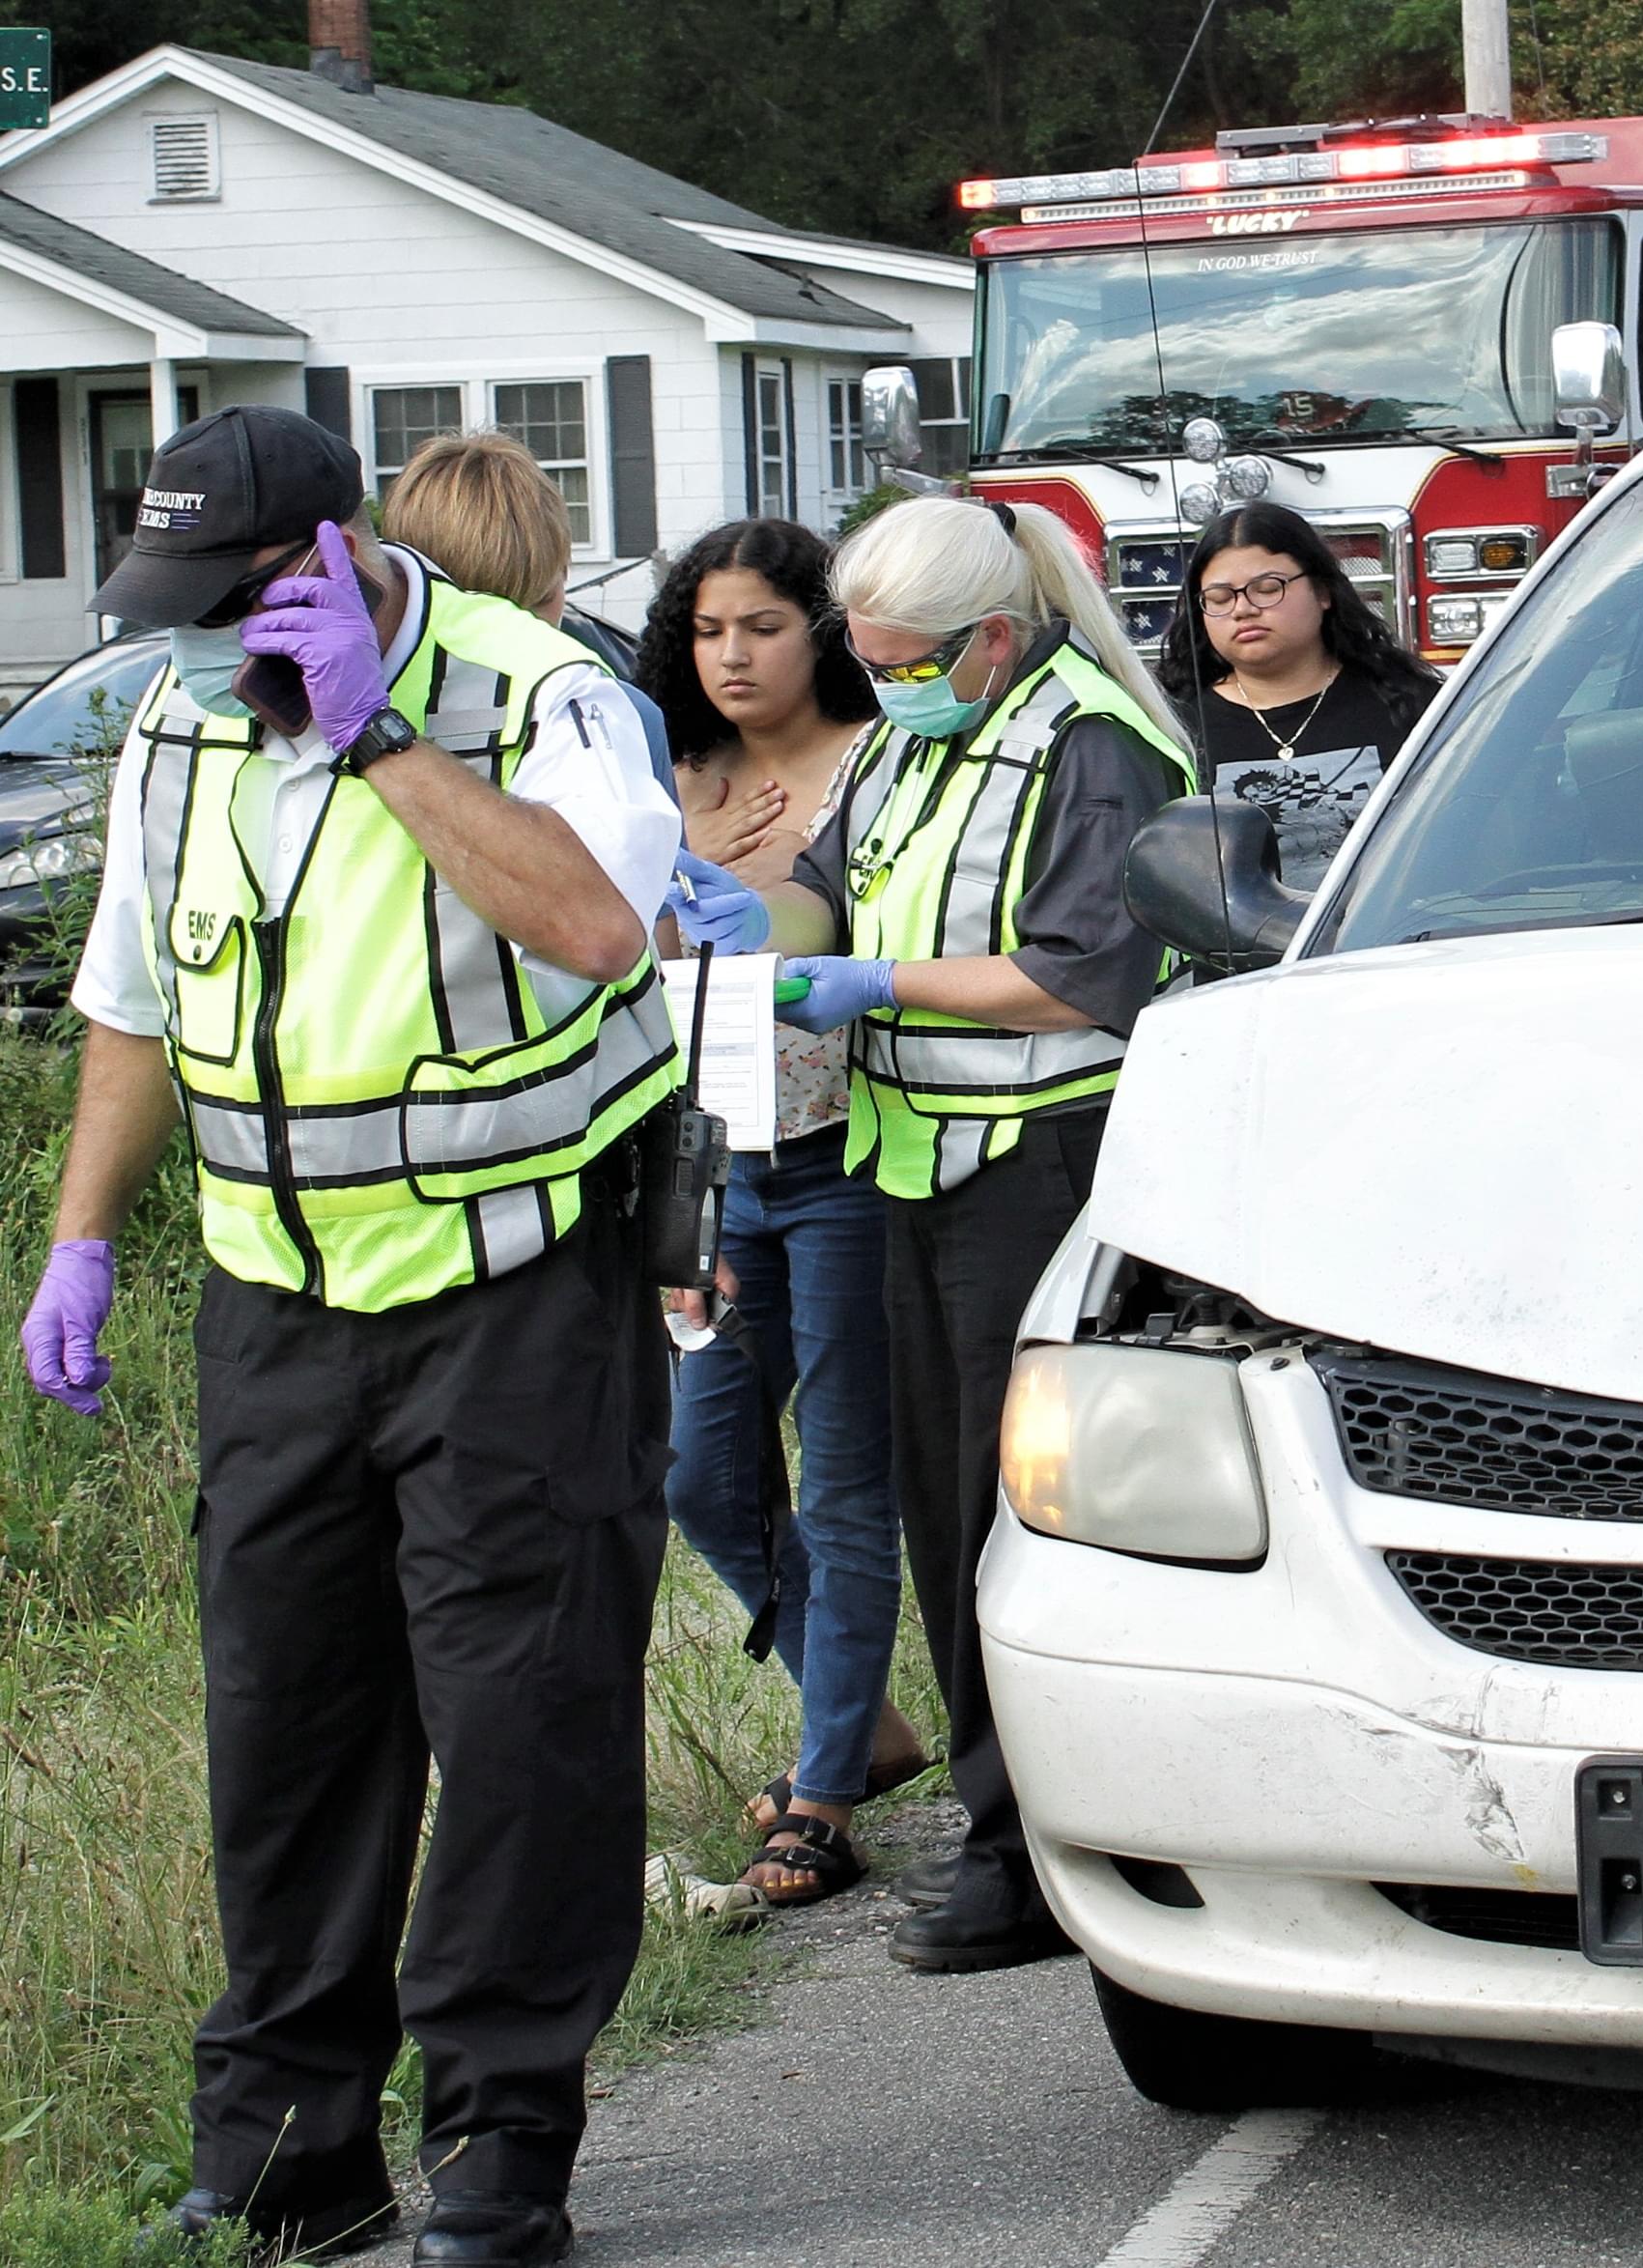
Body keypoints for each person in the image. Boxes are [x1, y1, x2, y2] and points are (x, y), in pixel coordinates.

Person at [14, 406, 682, 2266]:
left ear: (334, 559)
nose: (202, 641)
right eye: (174, 606)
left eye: (235, 603)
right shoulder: (178, 719)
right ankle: (293, 2141)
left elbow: (599, 922)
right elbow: (132, 1004)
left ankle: (501, 2140)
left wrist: (379, 730)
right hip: (279, 1303)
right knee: (286, 1727)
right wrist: (79, 1237)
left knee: (523, 1720)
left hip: (514, 1288)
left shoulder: (533, 691)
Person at [674, 495, 1194, 1972]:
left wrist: (881, 986)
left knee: (1000, 1512)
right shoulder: (917, 732)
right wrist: (741, 919)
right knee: (933, 1515)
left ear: (997, 639)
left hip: (1035, 1161)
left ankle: (1027, 1852)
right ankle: (1011, 1824)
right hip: (910, 1162)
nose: (886, 683)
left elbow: (1089, 973)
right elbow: (825, 902)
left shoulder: (1094, 740)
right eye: (873, 658)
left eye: (909, 661)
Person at [637, 518, 924, 1909]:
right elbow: (623, 953)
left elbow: (863, 938)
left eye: (759, 625)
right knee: (700, 1471)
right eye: (706, 630)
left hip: (843, 1157)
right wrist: (686, 870)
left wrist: (757, 896)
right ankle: (856, 1715)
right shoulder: (671, 775)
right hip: (707, 1162)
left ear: (821, 628)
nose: (732, 655)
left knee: (846, 1481)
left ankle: (820, 1796)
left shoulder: (880, 765)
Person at [1156, 500, 1441, 888]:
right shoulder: (1169, 724)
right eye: (1221, 598)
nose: (1243, 609)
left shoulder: (1414, 704)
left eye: (1267, 589)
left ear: (1323, 592)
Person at [382, 429, 678, 798]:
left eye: (535, 600)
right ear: (563, 571)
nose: (522, 636)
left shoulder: (356, 707)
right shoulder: (614, 707)